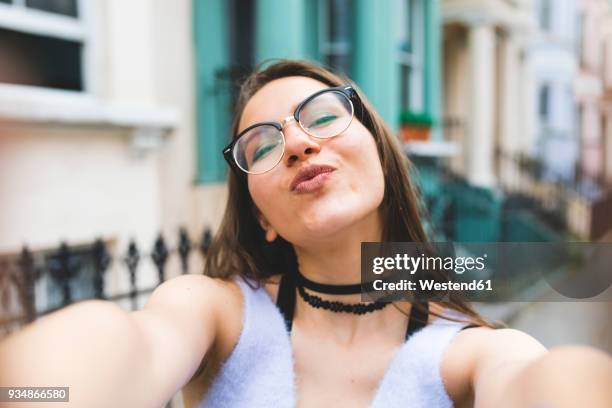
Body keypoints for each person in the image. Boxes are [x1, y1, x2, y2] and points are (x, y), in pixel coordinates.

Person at [1, 60, 611, 408]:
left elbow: (540, 385)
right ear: (261, 216)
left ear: (378, 153)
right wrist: (37, 393)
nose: (296, 142)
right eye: (260, 145)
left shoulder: (468, 352)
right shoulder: (217, 313)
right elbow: (112, 352)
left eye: (322, 115)